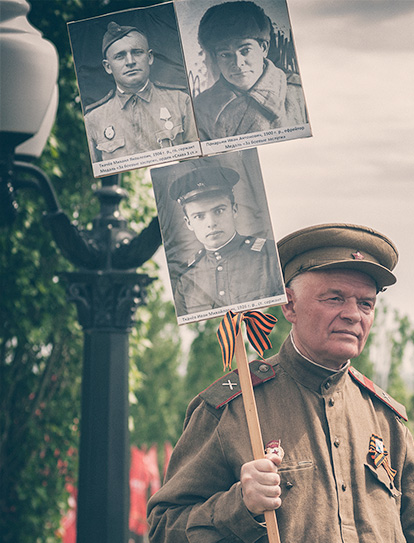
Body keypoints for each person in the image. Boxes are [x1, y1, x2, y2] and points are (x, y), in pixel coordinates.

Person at [147, 223, 414, 543]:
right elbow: (169, 538)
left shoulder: (388, 421)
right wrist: (239, 507)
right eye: (334, 297)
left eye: (365, 303)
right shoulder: (233, 406)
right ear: (289, 304)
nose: (353, 314)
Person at [166, 163, 283, 317]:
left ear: (234, 210)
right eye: (199, 216)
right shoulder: (186, 277)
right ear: (188, 223)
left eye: (219, 211)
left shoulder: (270, 257)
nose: (211, 223)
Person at [193, 1, 308, 140]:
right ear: (216, 58)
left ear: (264, 48)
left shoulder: (298, 91)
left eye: (245, 50)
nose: (238, 63)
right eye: (225, 54)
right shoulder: (201, 107)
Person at [84, 21, 197, 162]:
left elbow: (196, 161)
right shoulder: (93, 119)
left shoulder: (180, 101)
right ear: (108, 66)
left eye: (137, 53)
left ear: (149, 57)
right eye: (120, 56)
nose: (130, 61)